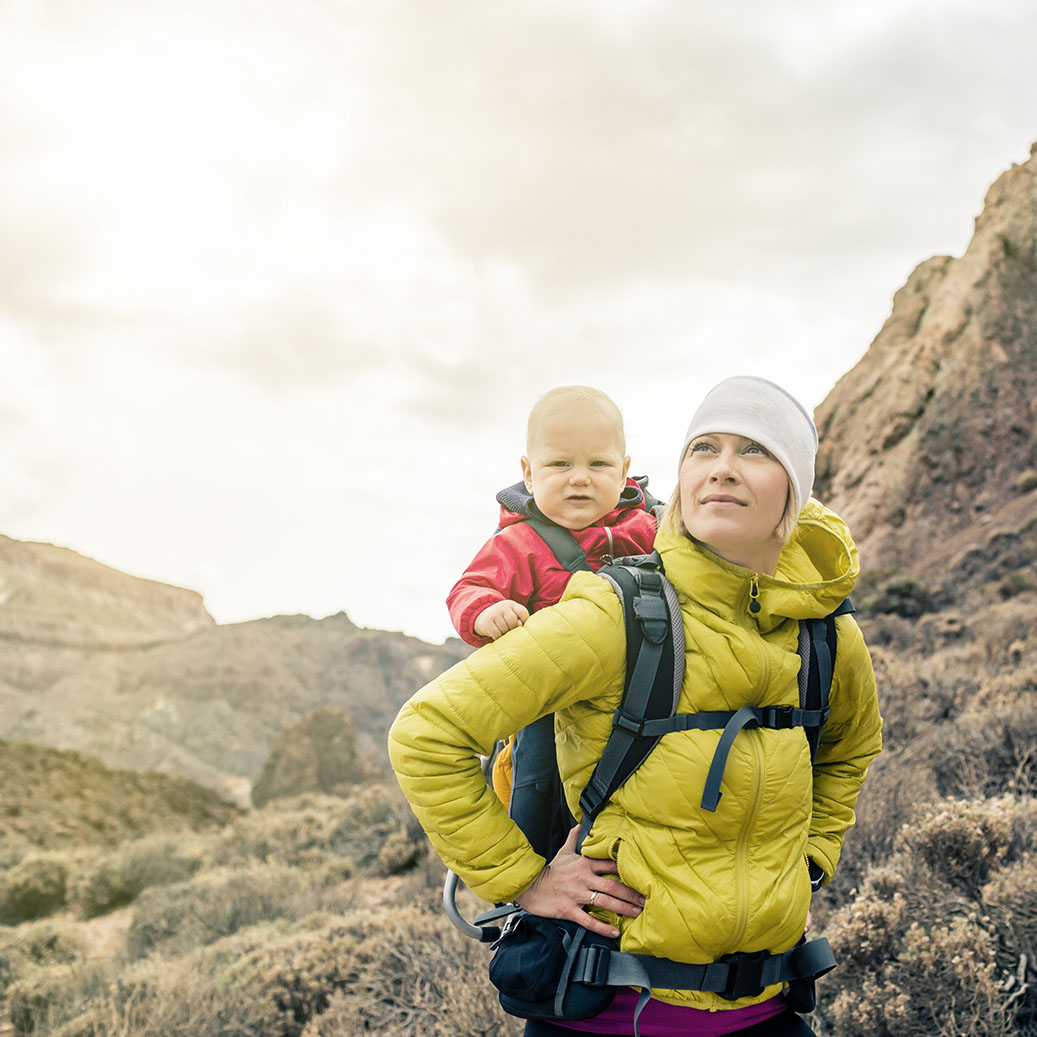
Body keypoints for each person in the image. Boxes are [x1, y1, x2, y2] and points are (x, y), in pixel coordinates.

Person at [389, 376, 883, 1036]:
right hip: (609, 1016)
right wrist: (526, 881)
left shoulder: (826, 632)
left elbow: (849, 749)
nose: (722, 468)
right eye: (704, 447)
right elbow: (427, 733)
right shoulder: (614, 611)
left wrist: (810, 860)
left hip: (770, 1011)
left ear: (795, 485)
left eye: (755, 449)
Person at [446, 384, 658, 648]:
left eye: (598, 463)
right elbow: (470, 589)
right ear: (530, 475)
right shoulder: (519, 543)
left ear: (623, 473)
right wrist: (488, 610)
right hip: (564, 669)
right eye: (560, 464)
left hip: (646, 667)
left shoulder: (651, 527)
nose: (580, 478)